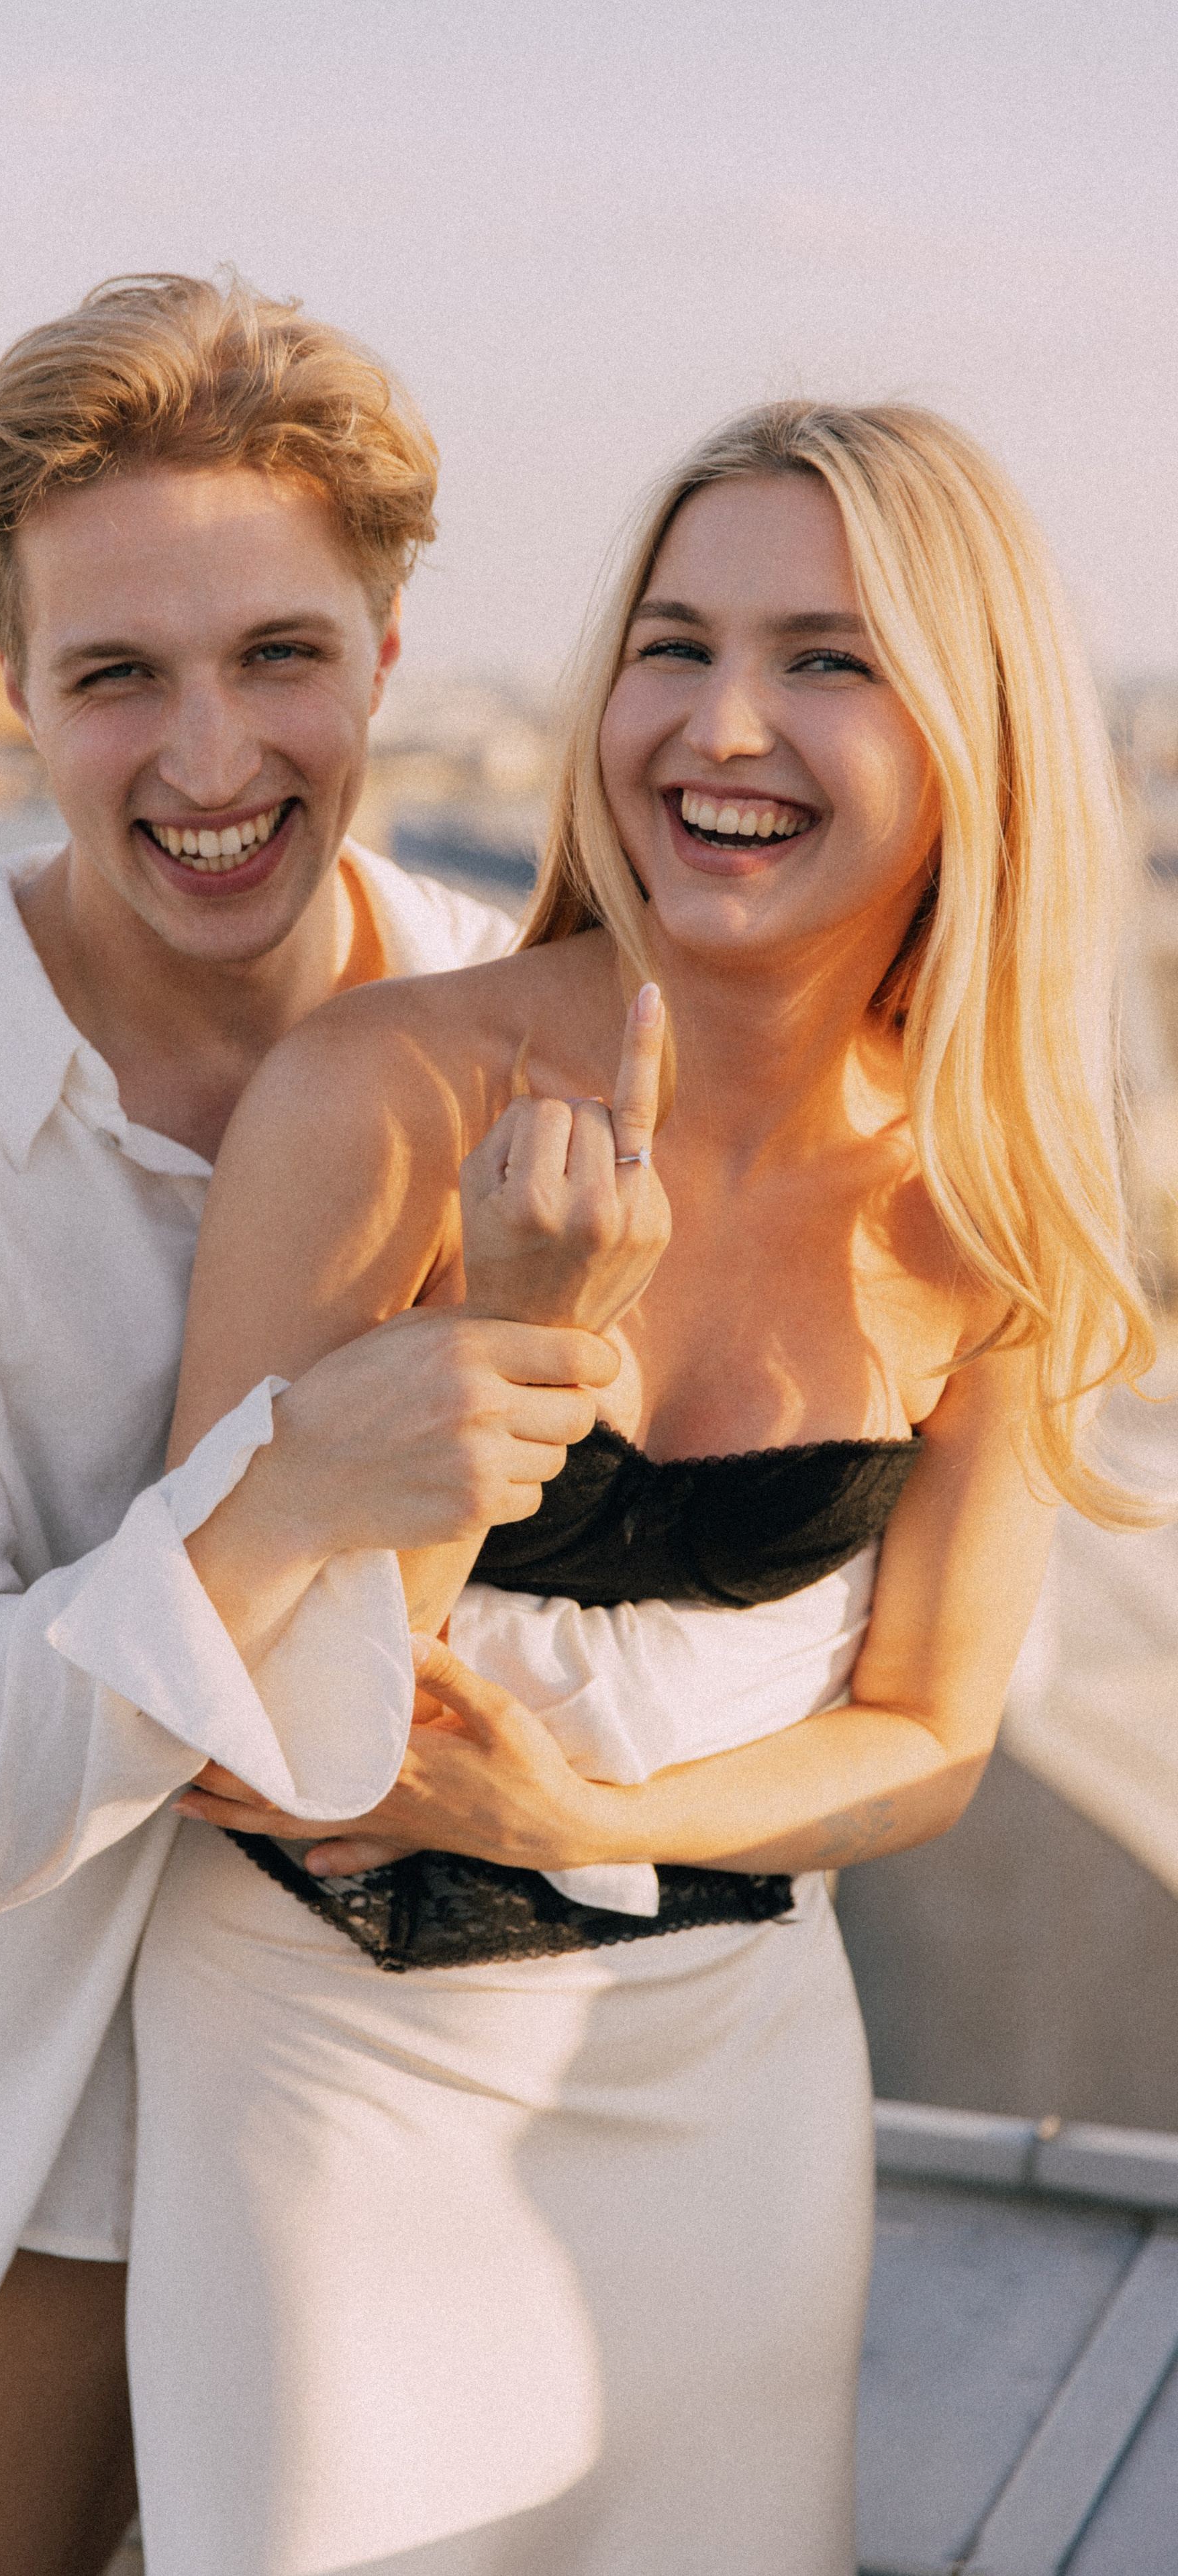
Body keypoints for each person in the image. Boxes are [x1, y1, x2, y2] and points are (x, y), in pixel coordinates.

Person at [129, 400, 1157, 2573]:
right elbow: (241, 1734)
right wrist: (506, 1333)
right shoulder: (382, 1098)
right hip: (333, 2077)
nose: (724, 724)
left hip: (732, 2096)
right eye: (672, 644)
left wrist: (583, 1825)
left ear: (975, 741)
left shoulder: (1002, 1212)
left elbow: (925, 1738)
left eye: (828, 658)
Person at [0, 271, 619, 2576]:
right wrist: (281, 1501)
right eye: (119, 678)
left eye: (276, 657)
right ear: (14, 694)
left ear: (390, 649)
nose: (211, 760)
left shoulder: (544, 1032)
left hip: (382, 2131)